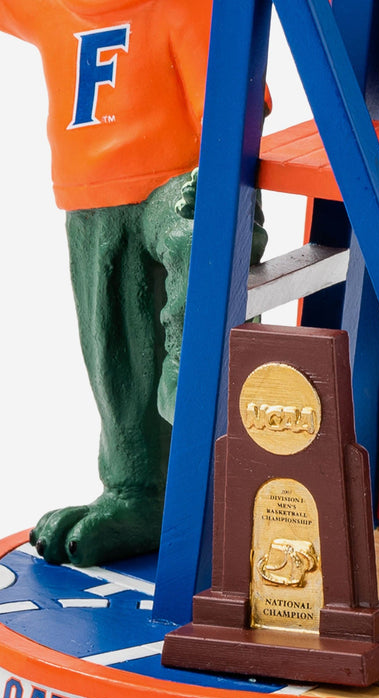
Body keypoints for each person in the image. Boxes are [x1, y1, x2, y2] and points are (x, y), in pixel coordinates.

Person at [0, 0, 267, 566]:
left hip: (174, 181)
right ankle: (137, 490)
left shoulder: (180, 6)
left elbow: (232, 101)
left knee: (194, 239)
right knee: (113, 358)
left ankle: (193, 364)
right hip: (89, 200)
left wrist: (228, 188)